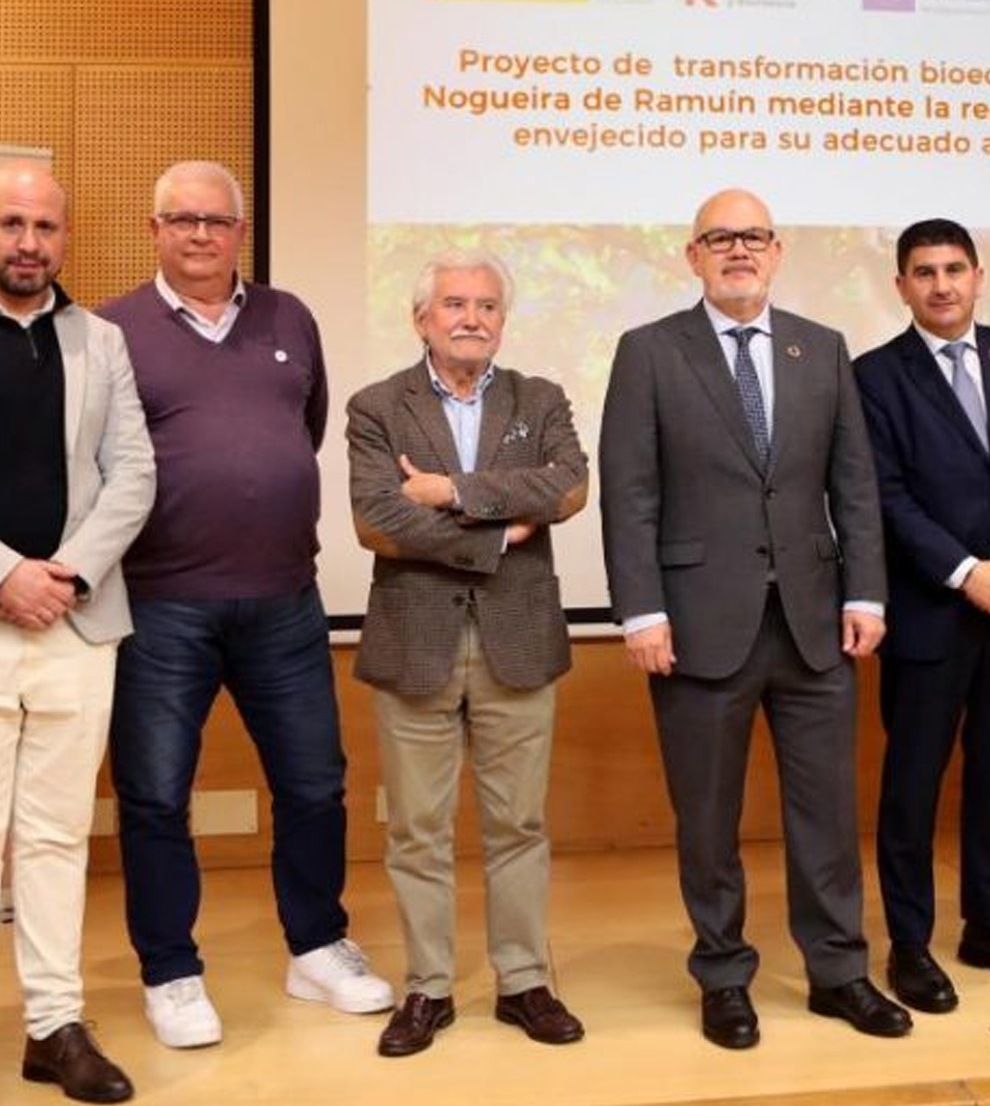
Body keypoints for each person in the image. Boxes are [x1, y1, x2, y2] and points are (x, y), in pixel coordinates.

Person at [599, 188, 910, 1048]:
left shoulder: (823, 347)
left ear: (777, 252)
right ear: (692, 255)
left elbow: (854, 484)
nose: (738, 251)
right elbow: (630, 493)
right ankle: (724, 974)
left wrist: (866, 593)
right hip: (697, 626)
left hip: (815, 626)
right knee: (708, 820)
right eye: (720, 238)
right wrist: (641, 612)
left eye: (754, 237)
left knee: (827, 815)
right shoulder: (649, 351)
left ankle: (839, 972)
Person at [100, 161, 392, 1050]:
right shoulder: (111, 331)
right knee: (155, 797)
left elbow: (304, 427)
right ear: (154, 230)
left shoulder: (288, 317)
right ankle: (171, 972)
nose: (200, 234)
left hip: (285, 602)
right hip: (160, 607)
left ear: (241, 231)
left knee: (314, 784)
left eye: (216, 220)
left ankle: (316, 947)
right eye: (182, 219)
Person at [348, 248, 588, 1057]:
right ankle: (428, 987)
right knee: (417, 829)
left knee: (519, 822)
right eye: (454, 304)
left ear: (502, 322)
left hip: (519, 641)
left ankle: (524, 982)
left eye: (487, 306)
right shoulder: (377, 406)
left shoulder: (539, 398)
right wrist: (499, 531)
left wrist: (450, 492)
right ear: (422, 318)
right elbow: (377, 520)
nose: (471, 318)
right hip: (414, 641)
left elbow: (567, 486)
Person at [852, 219, 990, 1014]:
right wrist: (964, 572)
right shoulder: (874, 375)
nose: (941, 285)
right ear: (901, 286)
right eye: (924, 272)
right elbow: (883, 493)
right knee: (912, 786)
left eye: (954, 269)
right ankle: (910, 944)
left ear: (979, 276)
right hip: (930, 613)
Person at [0, 162, 155, 1103]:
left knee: (58, 838)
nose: (28, 243)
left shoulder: (101, 340)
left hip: (76, 620)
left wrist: (65, 574)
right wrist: (5, 574)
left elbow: (133, 470)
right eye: (11, 223)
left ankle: (53, 1026)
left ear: (66, 237)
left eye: (44, 227)